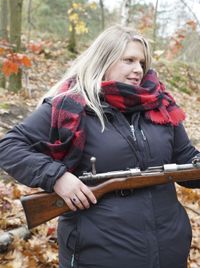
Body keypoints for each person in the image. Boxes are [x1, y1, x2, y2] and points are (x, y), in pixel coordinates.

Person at [0, 24, 199, 268]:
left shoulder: (160, 105)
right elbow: (9, 147)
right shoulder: (69, 104)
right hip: (98, 255)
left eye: (142, 62)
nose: (138, 69)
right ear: (104, 60)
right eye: (129, 60)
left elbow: (186, 160)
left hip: (169, 250)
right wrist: (58, 178)